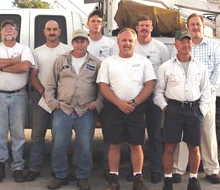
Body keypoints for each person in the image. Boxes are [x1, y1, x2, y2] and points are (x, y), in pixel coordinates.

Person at [97, 28, 156, 190]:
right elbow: (103, 86)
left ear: (135, 43)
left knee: (136, 145)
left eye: (130, 40)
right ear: (118, 43)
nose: (127, 43)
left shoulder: (144, 61)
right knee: (114, 145)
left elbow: (150, 84)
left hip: (136, 109)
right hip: (114, 109)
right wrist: (118, 102)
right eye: (123, 40)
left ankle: (138, 180)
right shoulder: (108, 62)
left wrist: (135, 103)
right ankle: (113, 180)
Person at [44, 29, 102, 190]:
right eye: (77, 41)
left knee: (85, 145)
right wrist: (53, 104)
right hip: (63, 109)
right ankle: (60, 175)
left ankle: (82, 177)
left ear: (88, 43)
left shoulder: (96, 63)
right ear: (72, 43)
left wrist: (96, 105)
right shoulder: (61, 61)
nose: (80, 44)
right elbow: (50, 85)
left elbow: (102, 88)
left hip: (85, 111)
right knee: (59, 144)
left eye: (83, 41)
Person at [155, 30, 211, 190]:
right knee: (170, 147)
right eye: (182, 42)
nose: (186, 45)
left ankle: (193, 180)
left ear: (191, 44)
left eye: (188, 41)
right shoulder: (166, 67)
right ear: (176, 44)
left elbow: (206, 91)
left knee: (194, 147)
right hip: (173, 110)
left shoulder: (201, 67)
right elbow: (158, 92)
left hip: (194, 111)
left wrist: (201, 111)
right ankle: (168, 180)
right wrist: (166, 108)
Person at [172, 13, 220, 185]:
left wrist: (208, 92)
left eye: (198, 25)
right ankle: (178, 169)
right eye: (192, 25)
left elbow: (218, 69)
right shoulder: (181, 45)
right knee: (184, 134)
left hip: (207, 98)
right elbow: (175, 68)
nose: (195, 28)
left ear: (203, 26)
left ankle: (211, 170)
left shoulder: (213, 45)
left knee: (208, 133)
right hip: (186, 98)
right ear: (188, 27)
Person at [0, 20, 33, 183]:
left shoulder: (24, 48)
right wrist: (13, 61)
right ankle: (0, 165)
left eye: (12, 29)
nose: (8, 31)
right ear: (1, 33)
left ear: (17, 32)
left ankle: (18, 167)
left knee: (18, 134)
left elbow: (25, 66)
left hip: (19, 95)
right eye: (5, 29)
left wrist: (2, 67)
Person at [27, 20, 71, 181]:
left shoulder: (67, 50)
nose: (52, 32)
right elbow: (32, 76)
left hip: (61, 99)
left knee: (59, 136)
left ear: (59, 31)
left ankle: (58, 170)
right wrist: (43, 92)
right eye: (49, 29)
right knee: (37, 135)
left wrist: (59, 95)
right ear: (44, 32)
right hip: (42, 97)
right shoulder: (37, 52)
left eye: (55, 29)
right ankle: (34, 168)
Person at [133, 15, 170, 183]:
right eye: (142, 26)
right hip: (137, 98)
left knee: (155, 134)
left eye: (147, 25)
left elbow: (166, 72)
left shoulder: (161, 48)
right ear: (136, 28)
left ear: (152, 28)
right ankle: (137, 171)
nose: (144, 28)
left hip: (154, 98)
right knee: (136, 136)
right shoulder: (132, 46)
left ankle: (156, 169)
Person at [86, 10, 119, 180]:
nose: (96, 23)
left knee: (109, 131)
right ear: (87, 24)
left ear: (103, 24)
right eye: (93, 21)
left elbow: (115, 65)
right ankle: (83, 167)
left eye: (99, 21)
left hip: (106, 92)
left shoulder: (111, 44)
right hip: (88, 92)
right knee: (85, 131)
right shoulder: (83, 43)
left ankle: (109, 167)